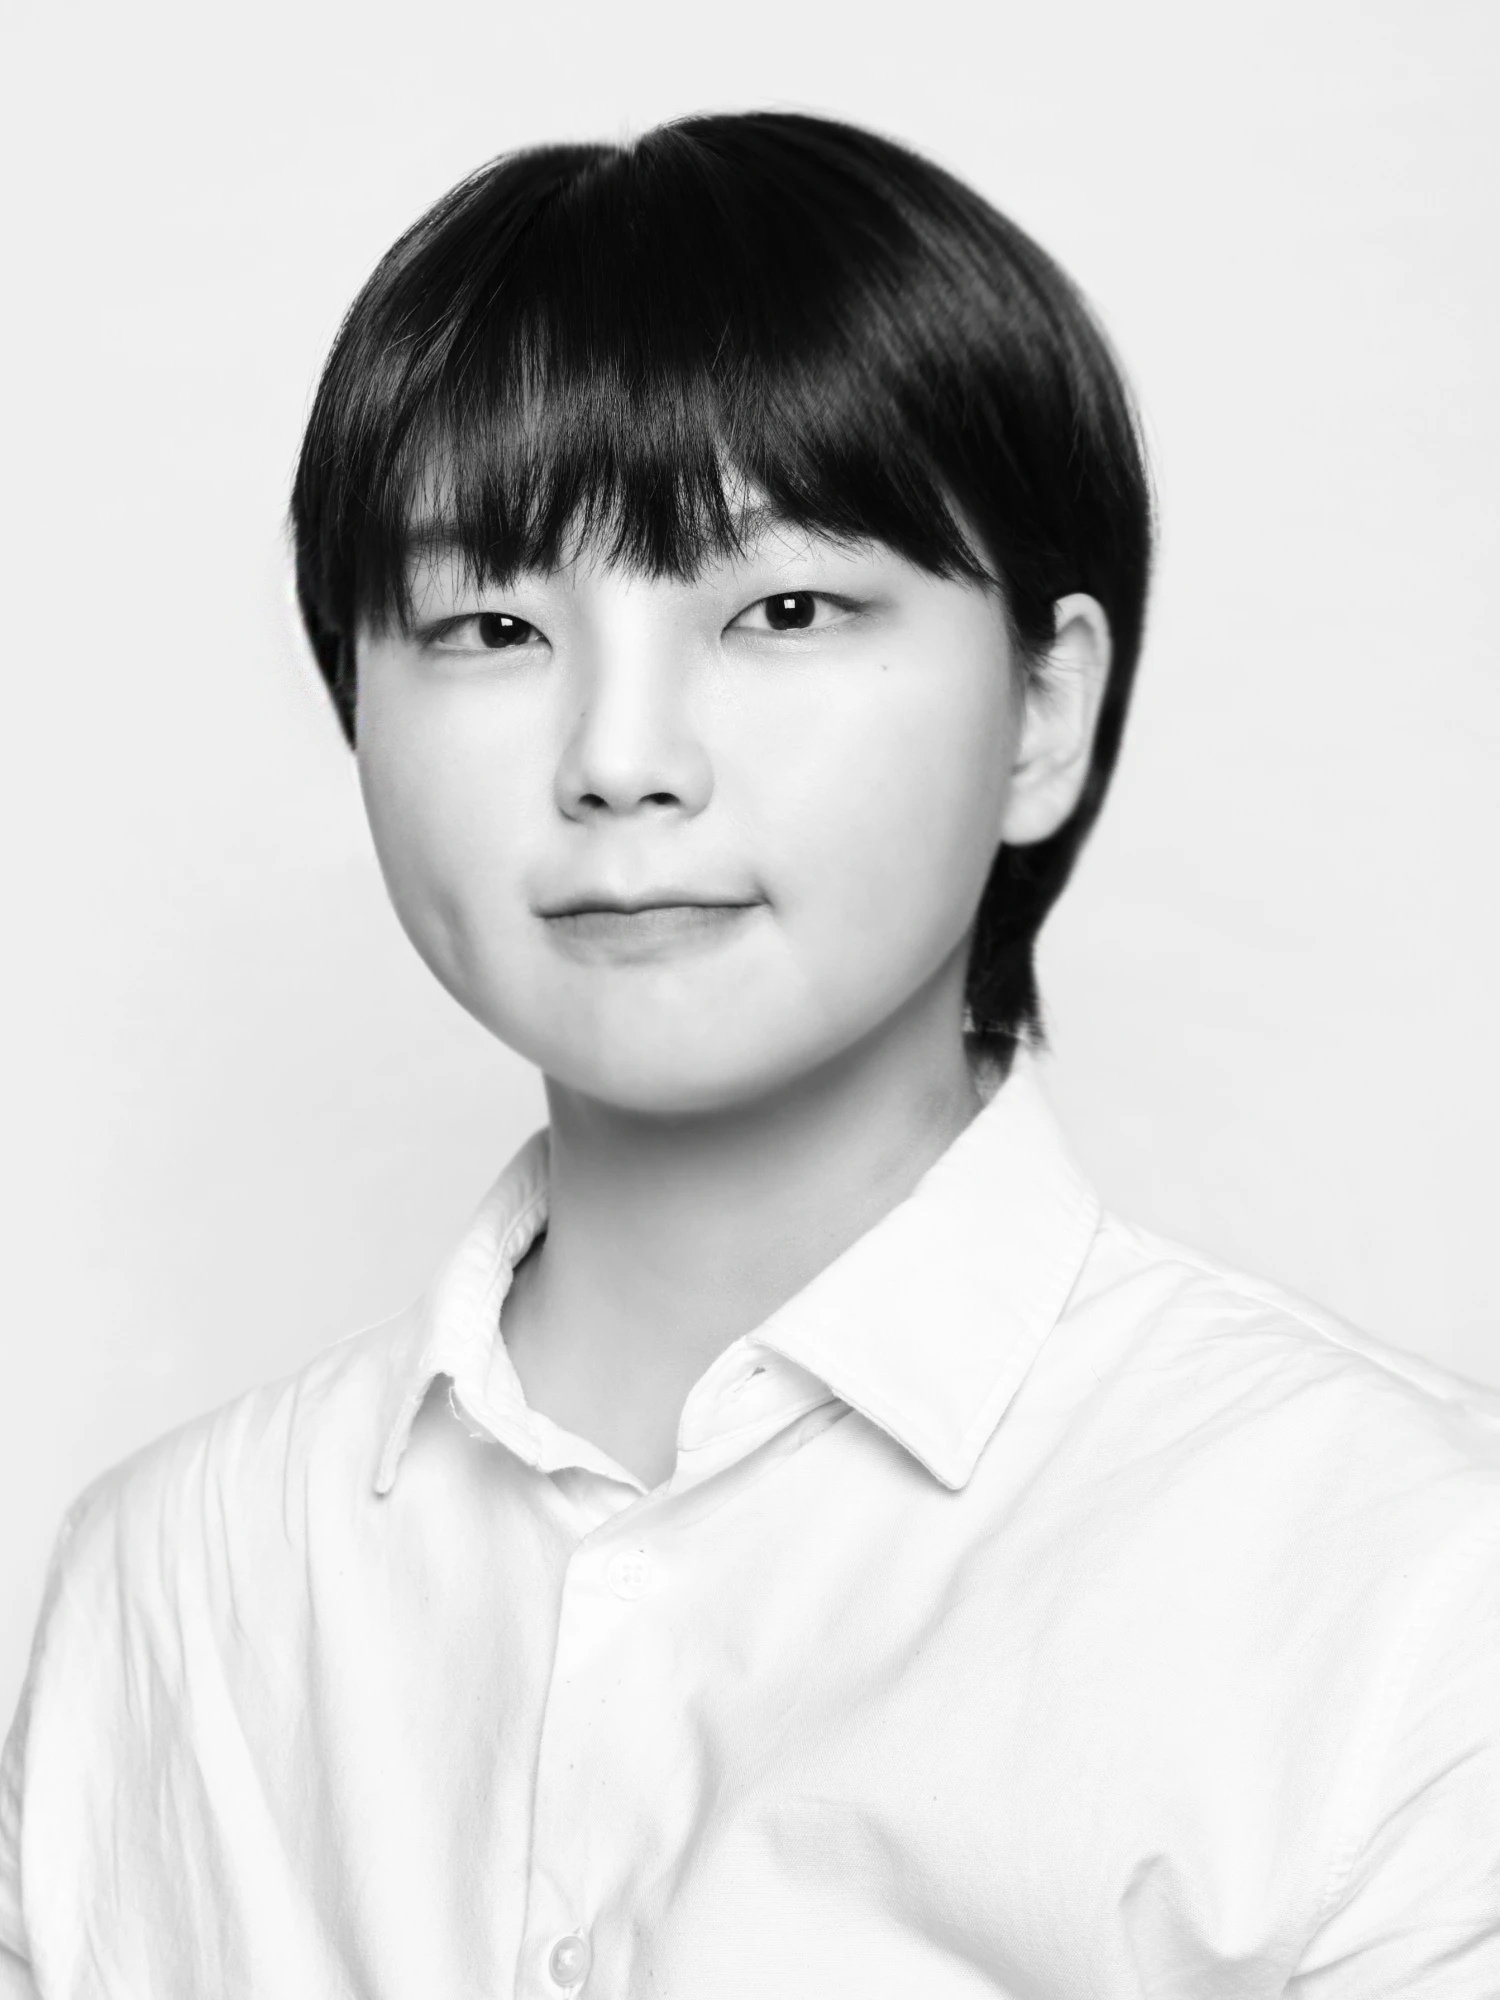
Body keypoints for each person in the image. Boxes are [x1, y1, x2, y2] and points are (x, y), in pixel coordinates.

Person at [2, 109, 1497, 1998]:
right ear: (355, 711)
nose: (621, 760)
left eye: (784, 609)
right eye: (490, 623)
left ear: (1044, 709)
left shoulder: (1403, 1588)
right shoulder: (167, 1583)